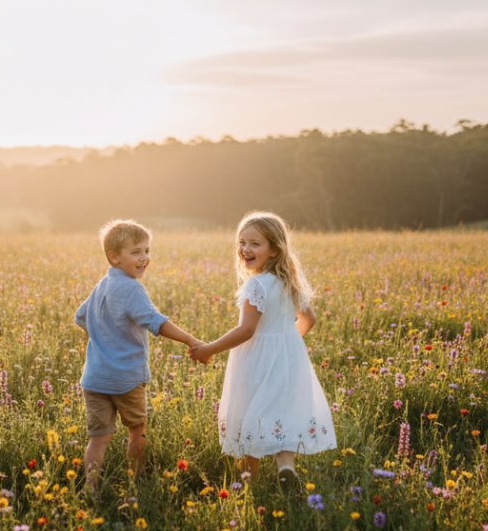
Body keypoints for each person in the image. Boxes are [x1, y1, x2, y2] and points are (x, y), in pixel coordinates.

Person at [190, 211, 336, 488]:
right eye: (242, 242)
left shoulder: (256, 285)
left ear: (273, 250)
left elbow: (247, 330)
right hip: (289, 358)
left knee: (251, 413)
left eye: (255, 243)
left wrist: (209, 348)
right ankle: (286, 466)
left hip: (256, 359)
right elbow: (309, 319)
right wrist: (287, 343)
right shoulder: (288, 281)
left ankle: (250, 481)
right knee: (282, 411)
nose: (246, 249)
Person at [76, 219, 202, 493]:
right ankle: (136, 483)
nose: (144, 258)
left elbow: (80, 317)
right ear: (114, 257)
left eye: (146, 250)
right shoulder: (132, 288)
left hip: (94, 379)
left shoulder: (103, 284)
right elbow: (155, 322)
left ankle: (90, 488)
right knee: (137, 430)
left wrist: (105, 334)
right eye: (136, 252)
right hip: (126, 379)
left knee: (98, 439)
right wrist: (189, 340)